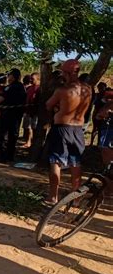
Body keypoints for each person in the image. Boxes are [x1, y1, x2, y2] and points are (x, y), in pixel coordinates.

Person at [44, 59, 92, 205]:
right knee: (75, 163)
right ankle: (76, 197)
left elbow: (48, 105)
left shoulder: (62, 90)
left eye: (63, 72)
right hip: (78, 130)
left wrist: (59, 107)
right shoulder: (88, 89)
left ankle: (53, 197)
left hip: (62, 129)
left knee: (55, 162)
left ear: (67, 72)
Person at [0, 68, 26, 162]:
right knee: (13, 135)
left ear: (13, 76)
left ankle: (3, 156)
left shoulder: (11, 87)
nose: (8, 77)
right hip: (17, 115)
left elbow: (2, 97)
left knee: (4, 135)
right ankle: (10, 156)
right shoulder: (21, 86)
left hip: (8, 114)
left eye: (9, 75)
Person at [22, 72, 40, 148]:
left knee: (34, 128)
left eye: (33, 79)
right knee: (27, 127)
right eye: (31, 79)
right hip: (28, 110)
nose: (31, 80)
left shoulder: (40, 89)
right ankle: (28, 142)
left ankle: (32, 143)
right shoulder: (29, 88)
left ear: (38, 79)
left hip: (35, 112)